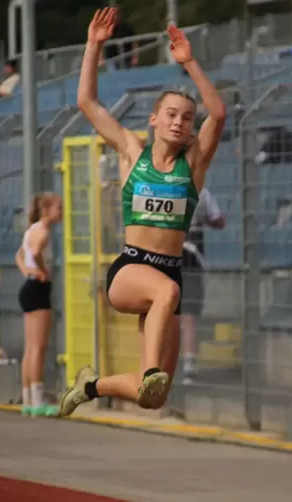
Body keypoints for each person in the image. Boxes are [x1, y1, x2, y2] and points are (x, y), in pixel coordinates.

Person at [58, 7, 226, 414]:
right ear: (153, 119)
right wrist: (94, 45)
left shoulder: (195, 164)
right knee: (165, 295)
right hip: (131, 269)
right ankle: (150, 368)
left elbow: (218, 113)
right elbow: (86, 101)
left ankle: (91, 385)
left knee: (155, 398)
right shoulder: (131, 152)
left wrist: (189, 63)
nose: (179, 122)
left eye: (186, 118)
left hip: (169, 272)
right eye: (171, 114)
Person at [15, 192, 63, 417]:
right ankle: (37, 399)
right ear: (46, 210)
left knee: (30, 345)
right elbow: (33, 252)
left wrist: (27, 271)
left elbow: (21, 255)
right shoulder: (43, 232)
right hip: (38, 288)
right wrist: (42, 270)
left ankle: (27, 398)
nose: (61, 212)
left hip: (29, 286)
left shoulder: (31, 229)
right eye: (58, 208)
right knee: (38, 346)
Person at [181, 188, 225, 383]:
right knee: (182, 317)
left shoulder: (200, 192)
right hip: (178, 260)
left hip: (186, 260)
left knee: (186, 316)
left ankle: (187, 365)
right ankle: (183, 366)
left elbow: (219, 220)